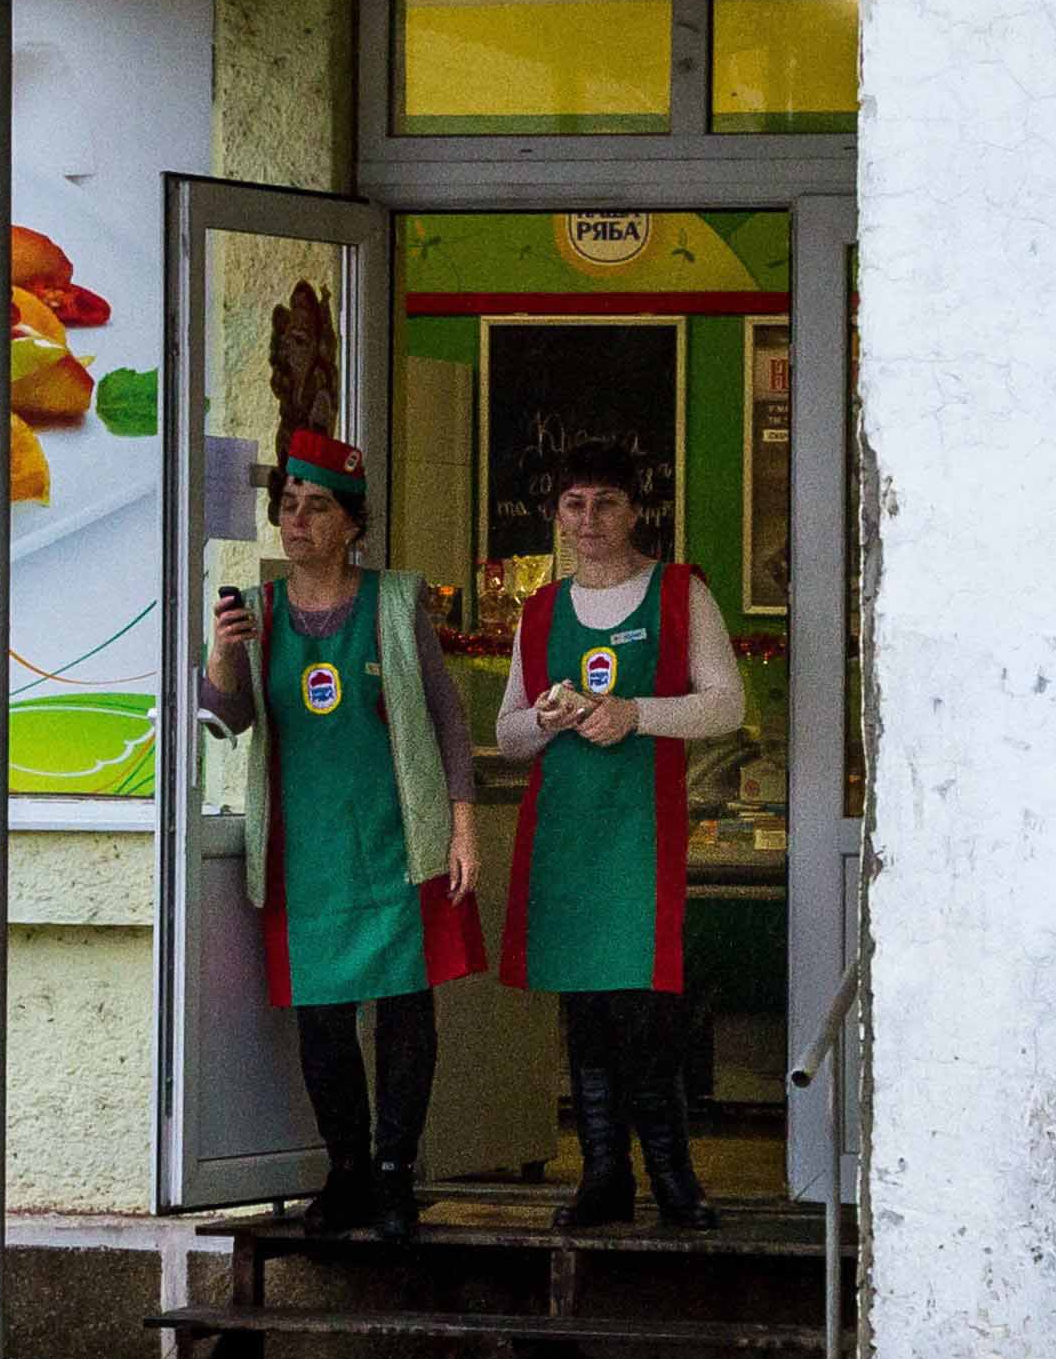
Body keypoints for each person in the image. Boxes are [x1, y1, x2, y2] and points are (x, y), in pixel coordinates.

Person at [199, 428, 484, 1240]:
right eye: (287, 505)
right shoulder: (256, 613)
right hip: (306, 850)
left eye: (316, 506)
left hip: (400, 842)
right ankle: (347, 1171)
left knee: (404, 1015)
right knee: (321, 1018)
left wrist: (463, 827)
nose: (296, 521)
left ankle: (396, 1174)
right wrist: (222, 661)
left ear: (351, 523)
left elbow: (446, 719)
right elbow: (229, 721)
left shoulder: (395, 602)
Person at [494, 440, 747, 1230]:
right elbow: (506, 734)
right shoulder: (539, 610)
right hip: (566, 837)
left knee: (647, 1011)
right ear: (556, 516)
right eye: (574, 504)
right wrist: (544, 717)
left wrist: (637, 713)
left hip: (645, 833)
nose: (590, 519)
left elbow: (724, 706)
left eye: (606, 502)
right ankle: (603, 1176)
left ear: (636, 510)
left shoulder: (678, 594)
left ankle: (675, 1178)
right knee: (589, 1012)